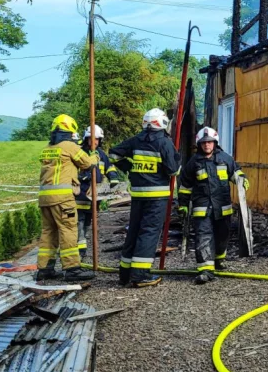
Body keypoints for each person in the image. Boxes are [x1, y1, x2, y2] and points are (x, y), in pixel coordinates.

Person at [109, 108, 181, 288]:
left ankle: (125, 274)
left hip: (138, 195)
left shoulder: (135, 140)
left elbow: (113, 154)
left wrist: (129, 167)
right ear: (163, 123)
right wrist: (177, 159)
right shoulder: (164, 143)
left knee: (133, 231)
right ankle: (140, 275)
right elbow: (173, 170)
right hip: (157, 196)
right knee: (149, 233)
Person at [178, 127, 249, 284]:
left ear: (215, 143)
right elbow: (185, 186)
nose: (207, 145)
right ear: (199, 144)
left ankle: (218, 260)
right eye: (204, 143)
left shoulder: (225, 158)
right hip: (202, 208)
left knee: (222, 235)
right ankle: (206, 270)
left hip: (223, 208)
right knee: (203, 236)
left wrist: (242, 179)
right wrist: (183, 204)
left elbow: (236, 172)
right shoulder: (193, 163)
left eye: (209, 142)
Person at [37, 114, 98, 282]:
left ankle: (45, 269)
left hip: (44, 199)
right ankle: (72, 269)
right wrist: (95, 156)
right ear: (70, 130)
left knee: (48, 232)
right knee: (68, 230)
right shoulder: (70, 147)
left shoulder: (47, 148)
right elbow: (87, 164)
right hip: (63, 199)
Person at [74, 125, 121, 259]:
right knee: (79, 222)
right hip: (81, 194)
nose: (94, 141)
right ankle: (80, 250)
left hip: (95, 195)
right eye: (91, 138)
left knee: (87, 222)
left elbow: (109, 167)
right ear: (86, 139)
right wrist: (84, 177)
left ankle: (81, 246)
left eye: (97, 139)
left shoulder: (101, 154)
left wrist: (113, 178)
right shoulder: (79, 153)